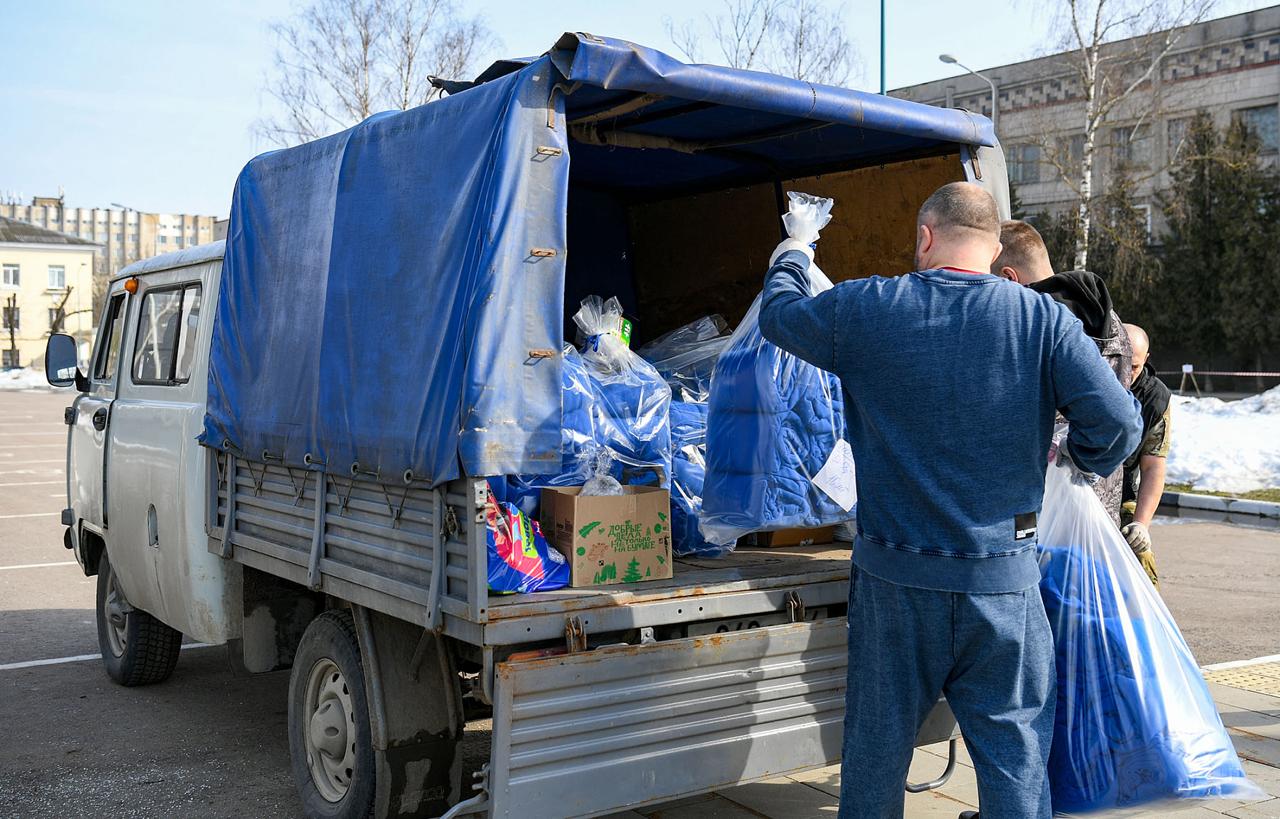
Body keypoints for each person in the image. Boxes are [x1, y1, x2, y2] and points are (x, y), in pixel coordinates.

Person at [759, 182, 1142, 819]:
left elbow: (779, 316)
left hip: (895, 583)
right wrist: (1086, 457)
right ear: (995, 251)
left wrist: (795, 250)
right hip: (1003, 583)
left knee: (877, 753)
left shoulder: (869, 307)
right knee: (1015, 759)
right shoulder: (1041, 320)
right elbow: (1121, 428)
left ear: (926, 238)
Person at [992, 219, 1134, 526]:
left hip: (1042, 507)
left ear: (1009, 277)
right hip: (1098, 505)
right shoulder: (1114, 322)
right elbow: (1120, 418)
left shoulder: (1033, 327)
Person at [1120, 323, 1170, 589]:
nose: (1125, 374)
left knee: (1142, 564)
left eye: (1135, 367)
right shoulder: (1085, 377)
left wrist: (1141, 524)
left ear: (1146, 360)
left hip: (1120, 496)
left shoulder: (1155, 398)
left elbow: (1153, 466)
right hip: (1069, 491)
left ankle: (1144, 626)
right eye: (1119, 363)